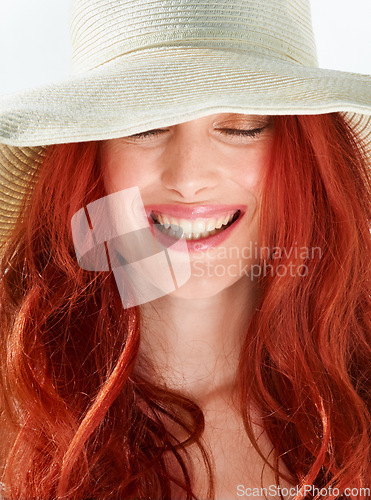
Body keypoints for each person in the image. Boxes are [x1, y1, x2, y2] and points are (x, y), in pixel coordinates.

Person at [0, 0, 370, 499]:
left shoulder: (358, 394)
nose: (189, 179)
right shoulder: (17, 406)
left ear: (305, 151)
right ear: (91, 152)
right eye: (145, 126)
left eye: (241, 128)